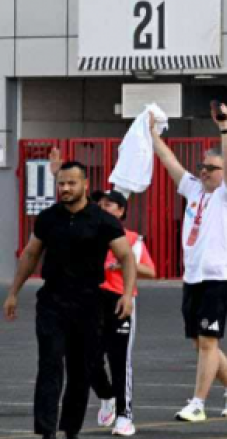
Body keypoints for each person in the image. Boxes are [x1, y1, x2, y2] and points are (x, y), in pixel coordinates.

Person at [5, 152, 136, 439]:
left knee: (80, 370)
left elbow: (126, 257)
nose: (65, 188)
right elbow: (30, 254)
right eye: (61, 183)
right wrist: (13, 292)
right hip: (52, 301)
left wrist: (127, 294)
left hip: (89, 303)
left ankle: (70, 430)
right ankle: (46, 431)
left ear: (85, 185)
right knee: (50, 363)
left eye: (71, 183)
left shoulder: (103, 221)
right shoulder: (48, 218)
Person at [151, 103, 227, 422]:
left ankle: (198, 403)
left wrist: (225, 129)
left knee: (209, 341)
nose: (204, 171)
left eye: (211, 167)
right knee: (200, 342)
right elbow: (169, 161)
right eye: (203, 166)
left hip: (218, 276)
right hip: (193, 276)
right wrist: (152, 134)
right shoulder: (194, 189)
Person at [89, 185, 157, 438]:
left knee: (119, 361)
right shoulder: (89, 234)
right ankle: (106, 396)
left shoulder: (131, 239)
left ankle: (124, 415)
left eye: (108, 204)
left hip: (120, 300)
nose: (102, 208)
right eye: (99, 205)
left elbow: (150, 271)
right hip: (91, 301)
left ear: (121, 210)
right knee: (87, 358)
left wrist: (122, 265)